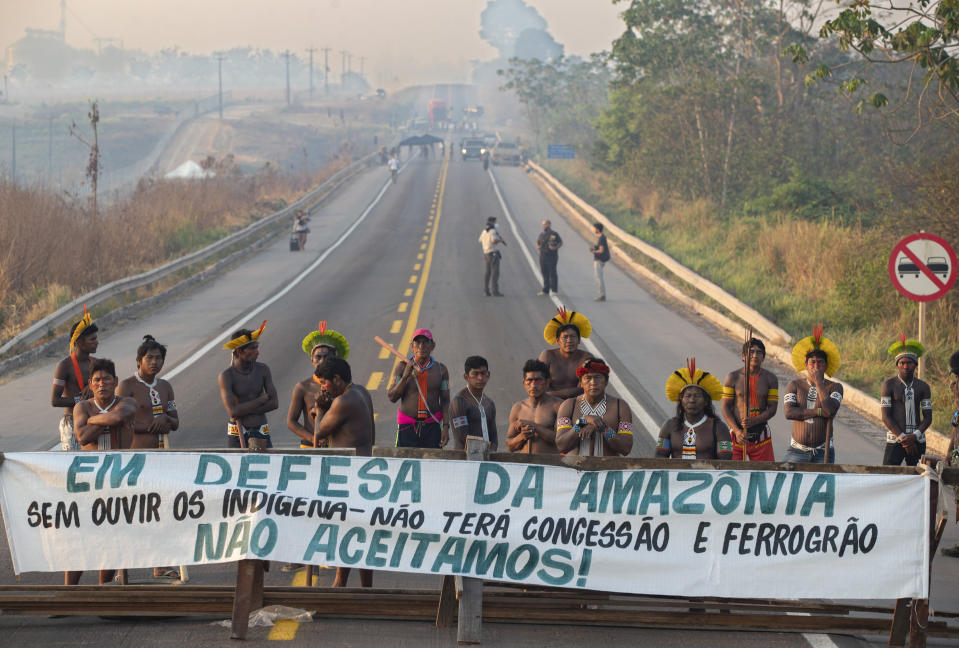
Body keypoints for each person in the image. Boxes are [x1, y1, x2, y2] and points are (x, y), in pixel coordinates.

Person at [69, 358, 137, 585]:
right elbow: (82, 437)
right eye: (96, 380)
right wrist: (102, 420)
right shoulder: (82, 407)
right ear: (90, 383)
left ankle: (104, 590)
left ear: (115, 381)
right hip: (91, 480)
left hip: (120, 478)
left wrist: (93, 421)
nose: (101, 384)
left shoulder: (126, 402)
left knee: (113, 536)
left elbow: (118, 417)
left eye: (106, 379)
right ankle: (69, 592)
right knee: (83, 536)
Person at [313, 357, 376, 587]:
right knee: (358, 530)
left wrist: (320, 409)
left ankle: (341, 582)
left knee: (347, 530)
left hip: (351, 474)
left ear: (337, 379)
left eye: (325, 383)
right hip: (365, 467)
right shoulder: (361, 391)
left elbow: (320, 431)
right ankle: (361, 586)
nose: (323, 388)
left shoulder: (343, 402)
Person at [782, 325, 844, 463]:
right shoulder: (794, 385)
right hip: (796, 450)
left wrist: (819, 383)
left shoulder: (835, 387)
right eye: (812, 362)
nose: (816, 366)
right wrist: (818, 411)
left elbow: (830, 411)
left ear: (826, 366)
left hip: (823, 451)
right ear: (805, 365)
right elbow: (789, 413)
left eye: (820, 363)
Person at [288, 322, 349, 449]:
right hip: (310, 447)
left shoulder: (341, 385)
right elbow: (291, 422)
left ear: (334, 358)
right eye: (318, 357)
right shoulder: (303, 387)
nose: (322, 361)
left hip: (337, 446)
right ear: (312, 360)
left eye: (326, 357)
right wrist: (314, 438)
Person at [218, 322, 279, 450]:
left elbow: (274, 403)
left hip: (261, 430)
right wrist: (260, 400)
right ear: (239, 351)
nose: (257, 352)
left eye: (257, 347)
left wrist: (244, 410)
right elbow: (233, 412)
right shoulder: (227, 376)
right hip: (237, 433)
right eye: (253, 349)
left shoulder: (263, 370)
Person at [387, 328, 451, 448]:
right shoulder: (401, 367)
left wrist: (446, 427)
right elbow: (392, 397)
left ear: (433, 346)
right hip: (407, 426)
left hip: (432, 426)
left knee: (432, 464)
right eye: (417, 343)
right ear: (412, 346)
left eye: (426, 342)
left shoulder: (441, 370)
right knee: (405, 462)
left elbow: (445, 400)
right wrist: (405, 376)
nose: (421, 346)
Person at [555, 358, 633, 456]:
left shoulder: (620, 407)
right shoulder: (568, 405)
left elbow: (625, 448)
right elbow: (562, 446)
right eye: (588, 378)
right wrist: (582, 422)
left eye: (598, 377)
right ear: (581, 382)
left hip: (607, 469)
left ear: (606, 381)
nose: (593, 382)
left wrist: (603, 428)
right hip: (576, 469)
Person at [657, 358, 732, 460]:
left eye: (697, 396)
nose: (692, 400)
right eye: (688, 396)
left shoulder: (719, 428)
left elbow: (726, 463)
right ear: (681, 399)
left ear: (706, 401)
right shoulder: (669, 426)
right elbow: (659, 459)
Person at [116, 335, 179, 450]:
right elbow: (120, 422)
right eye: (149, 358)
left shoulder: (166, 386)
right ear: (139, 361)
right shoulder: (126, 386)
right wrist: (155, 426)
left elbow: (175, 423)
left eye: (158, 358)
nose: (154, 362)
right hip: (136, 455)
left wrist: (166, 418)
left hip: (164, 452)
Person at [721, 337, 778, 461]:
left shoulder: (771, 378)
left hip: (761, 434)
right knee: (733, 473)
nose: (755, 355)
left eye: (759, 352)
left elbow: (773, 408)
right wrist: (736, 431)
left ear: (763, 357)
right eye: (751, 351)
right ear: (743, 356)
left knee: (764, 473)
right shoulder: (733, 377)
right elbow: (725, 407)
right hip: (737, 435)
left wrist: (755, 421)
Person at [880, 334, 933, 466]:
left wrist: (914, 436)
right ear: (897, 365)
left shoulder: (923, 387)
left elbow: (928, 417)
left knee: (917, 477)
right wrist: (904, 438)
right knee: (888, 475)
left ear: (915, 364)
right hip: (895, 440)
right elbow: (886, 416)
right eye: (902, 363)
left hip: (918, 440)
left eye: (909, 363)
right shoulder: (889, 385)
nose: (906, 366)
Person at [52, 306, 98, 451]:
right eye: (92, 339)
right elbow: (55, 400)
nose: (97, 342)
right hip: (72, 422)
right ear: (79, 342)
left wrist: (93, 390)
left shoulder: (96, 363)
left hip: (93, 420)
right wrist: (80, 400)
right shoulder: (64, 366)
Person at [506, 359, 562, 454]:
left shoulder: (558, 406)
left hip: (550, 465)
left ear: (547, 382)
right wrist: (522, 436)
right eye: (529, 381)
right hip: (525, 466)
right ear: (524, 383)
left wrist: (534, 426)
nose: (533, 385)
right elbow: (510, 446)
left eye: (538, 380)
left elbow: (561, 441)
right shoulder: (518, 407)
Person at [538, 307, 593, 399]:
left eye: (573, 336)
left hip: (577, 403)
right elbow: (539, 385)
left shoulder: (586, 358)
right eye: (565, 337)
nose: (569, 340)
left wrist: (551, 394)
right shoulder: (547, 355)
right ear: (558, 341)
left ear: (579, 340)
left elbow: (585, 388)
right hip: (550, 403)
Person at [450, 356, 498, 450]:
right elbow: (462, 438)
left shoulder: (490, 403)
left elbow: (494, 437)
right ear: (466, 376)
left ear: (488, 374)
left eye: (483, 373)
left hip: (486, 458)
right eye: (475, 374)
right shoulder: (459, 401)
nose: (480, 378)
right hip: (465, 459)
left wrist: (491, 454)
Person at [941, 351, 959, 558]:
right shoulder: (957, 410)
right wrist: (949, 451)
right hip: (957, 454)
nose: (954, 385)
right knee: (957, 499)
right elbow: (955, 428)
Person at [479, 216, 506, 297]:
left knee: (487, 273)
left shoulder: (484, 231)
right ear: (493, 222)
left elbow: (480, 240)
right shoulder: (492, 231)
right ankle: (495, 291)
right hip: (492, 253)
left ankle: (486, 290)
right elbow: (494, 240)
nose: (496, 224)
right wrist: (500, 240)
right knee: (495, 273)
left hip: (486, 253)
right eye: (495, 222)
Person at [536, 219, 563, 295]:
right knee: (544, 273)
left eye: (545, 224)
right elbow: (537, 243)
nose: (544, 226)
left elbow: (560, 243)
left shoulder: (554, 234)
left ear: (549, 225)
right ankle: (545, 290)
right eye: (543, 224)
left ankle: (554, 290)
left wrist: (555, 248)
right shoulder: (541, 234)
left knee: (552, 273)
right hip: (542, 256)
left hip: (551, 256)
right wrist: (538, 246)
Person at [590, 222, 611, 302]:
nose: (593, 229)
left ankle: (601, 295)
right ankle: (601, 294)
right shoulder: (601, 237)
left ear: (597, 229)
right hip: (600, 259)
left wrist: (593, 251)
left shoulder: (602, 238)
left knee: (598, 278)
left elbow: (601, 250)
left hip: (599, 260)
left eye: (594, 228)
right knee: (598, 277)